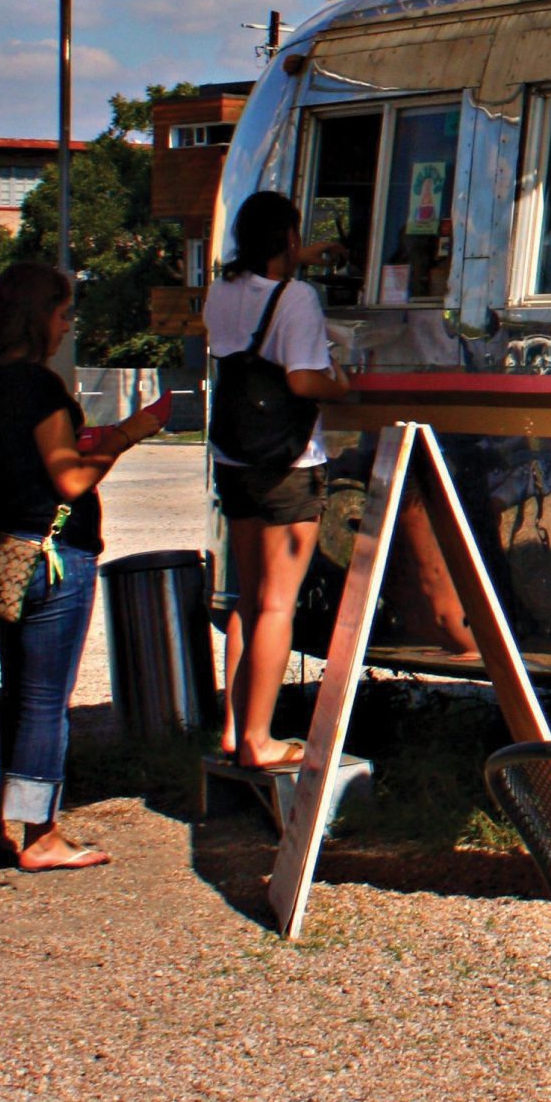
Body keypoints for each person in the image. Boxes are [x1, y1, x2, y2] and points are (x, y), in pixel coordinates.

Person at [0, 260, 166, 870]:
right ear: (38, 317)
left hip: (3, 550)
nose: (65, 327)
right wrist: (129, 435)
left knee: (14, 690)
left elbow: (15, 459)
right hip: (55, 555)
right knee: (47, 698)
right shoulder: (40, 386)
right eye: (63, 314)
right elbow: (70, 478)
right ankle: (41, 833)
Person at [205, 191, 353, 771]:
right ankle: (261, 741)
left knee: (248, 597)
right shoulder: (299, 299)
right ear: (288, 240)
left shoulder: (222, 290)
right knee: (277, 605)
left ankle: (235, 728)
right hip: (287, 465)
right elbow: (303, 381)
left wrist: (302, 254)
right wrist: (342, 383)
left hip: (236, 456)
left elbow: (249, 318)